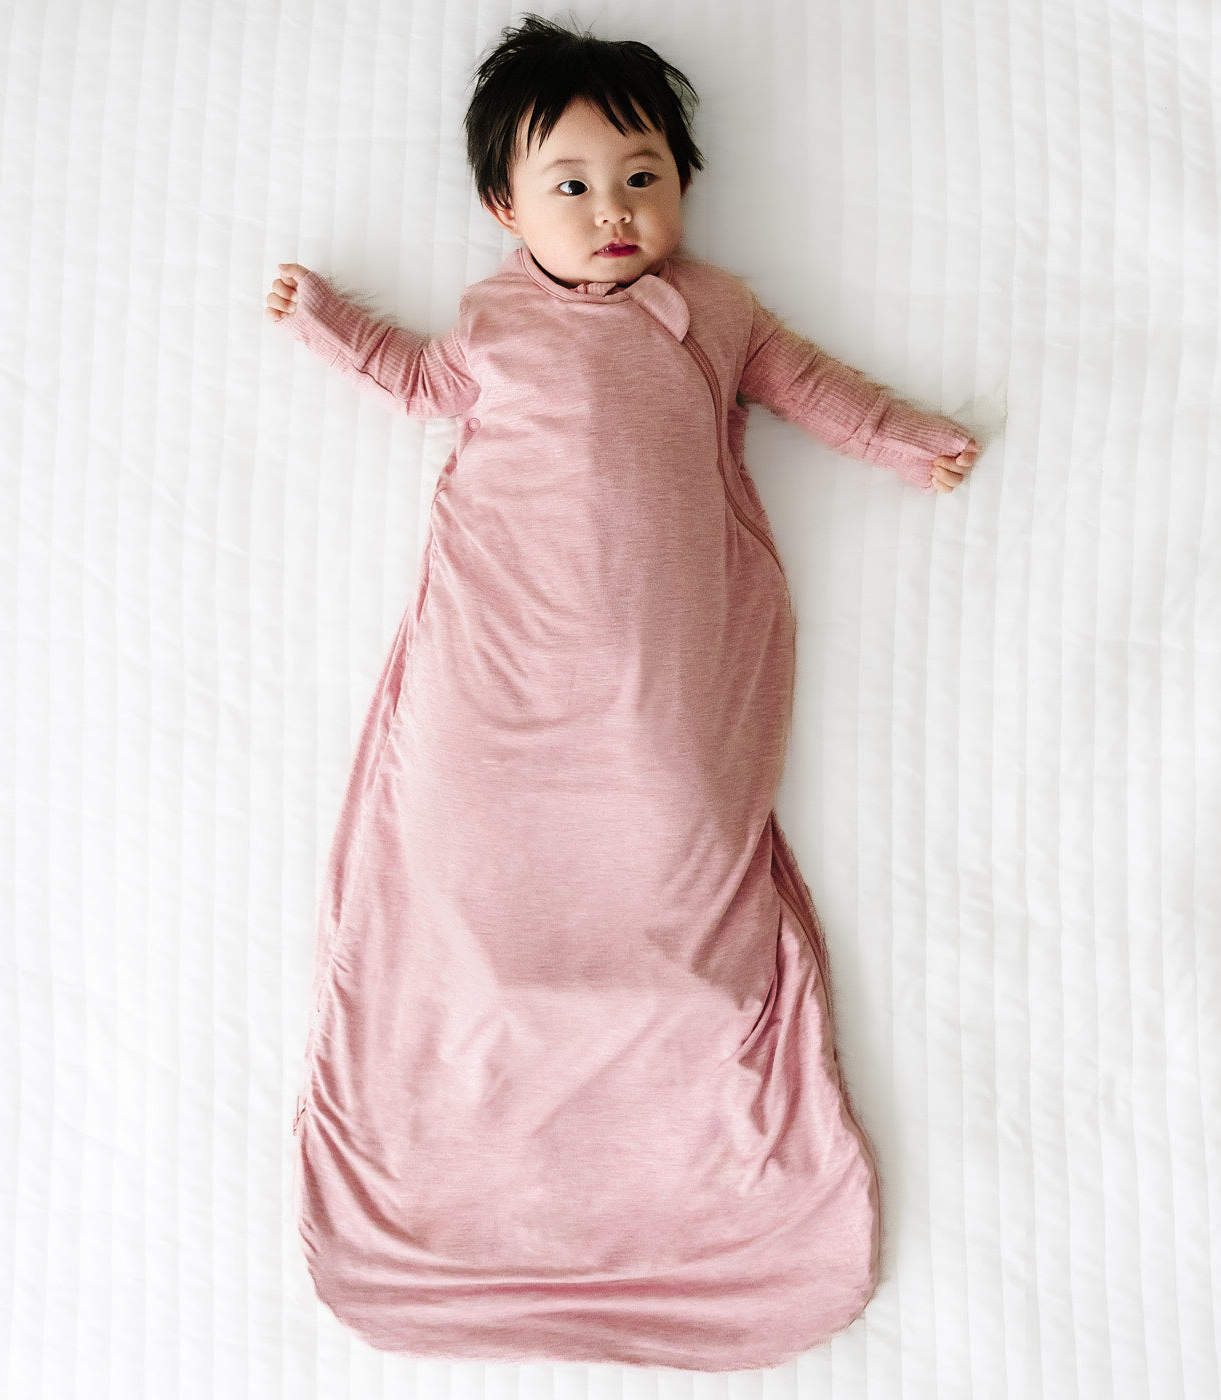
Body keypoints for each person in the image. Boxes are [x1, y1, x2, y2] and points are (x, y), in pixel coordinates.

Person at [266, 12, 982, 1373]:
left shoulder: (717, 314)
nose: (612, 211)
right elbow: (413, 379)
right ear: (506, 208)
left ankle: (677, 1164)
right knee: (461, 864)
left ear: (683, 188)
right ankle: (485, 1128)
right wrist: (329, 326)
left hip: (653, 685)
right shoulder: (489, 322)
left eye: (641, 178)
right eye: (572, 186)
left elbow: (813, 390)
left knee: (679, 841)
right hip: (495, 674)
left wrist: (908, 440)